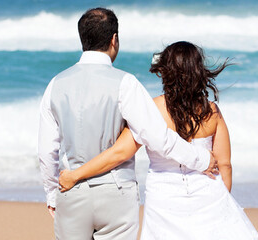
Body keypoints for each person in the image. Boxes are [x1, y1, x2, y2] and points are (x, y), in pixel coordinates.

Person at [38, 9, 216, 239]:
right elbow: (158, 137)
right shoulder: (126, 84)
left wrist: (52, 193)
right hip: (117, 194)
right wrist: (201, 159)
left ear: (83, 39)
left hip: (71, 190)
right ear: (114, 40)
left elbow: (46, 152)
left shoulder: (55, 85)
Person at [59, 41, 258, 239]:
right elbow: (224, 165)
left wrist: (75, 175)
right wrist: (221, 201)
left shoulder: (151, 109)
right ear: (198, 71)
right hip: (210, 194)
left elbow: (119, 153)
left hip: (164, 199)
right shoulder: (212, 111)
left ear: (165, 72)